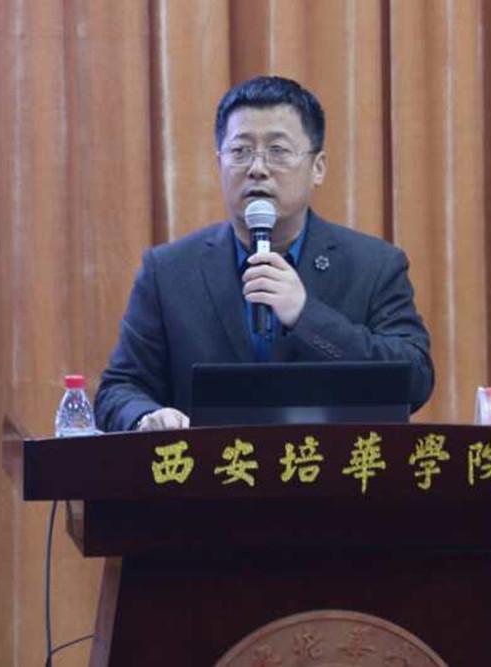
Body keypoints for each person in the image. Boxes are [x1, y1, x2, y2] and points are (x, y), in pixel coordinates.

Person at [95, 76, 433, 432]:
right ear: (219, 164)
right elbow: (119, 388)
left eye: (278, 151)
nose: (257, 168)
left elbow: (415, 380)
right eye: (240, 151)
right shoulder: (168, 271)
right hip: (210, 466)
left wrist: (306, 316)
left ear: (317, 168)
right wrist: (145, 416)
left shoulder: (374, 266)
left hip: (332, 466)